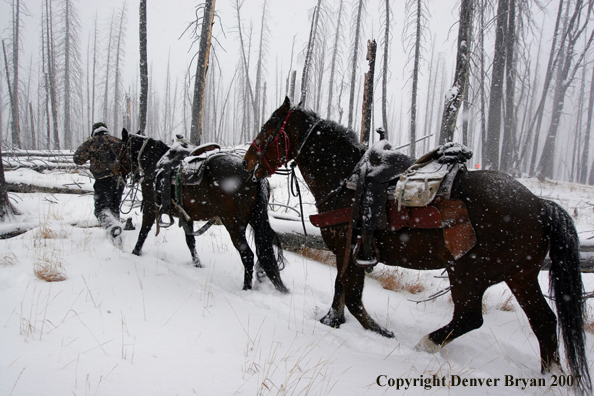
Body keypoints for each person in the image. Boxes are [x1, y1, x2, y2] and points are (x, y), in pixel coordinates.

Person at [73, 122, 125, 240]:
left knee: (101, 209)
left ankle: (112, 227)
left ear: (94, 131)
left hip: (103, 180)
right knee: (114, 207)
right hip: (119, 180)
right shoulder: (117, 141)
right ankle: (116, 235)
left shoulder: (91, 143)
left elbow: (77, 159)